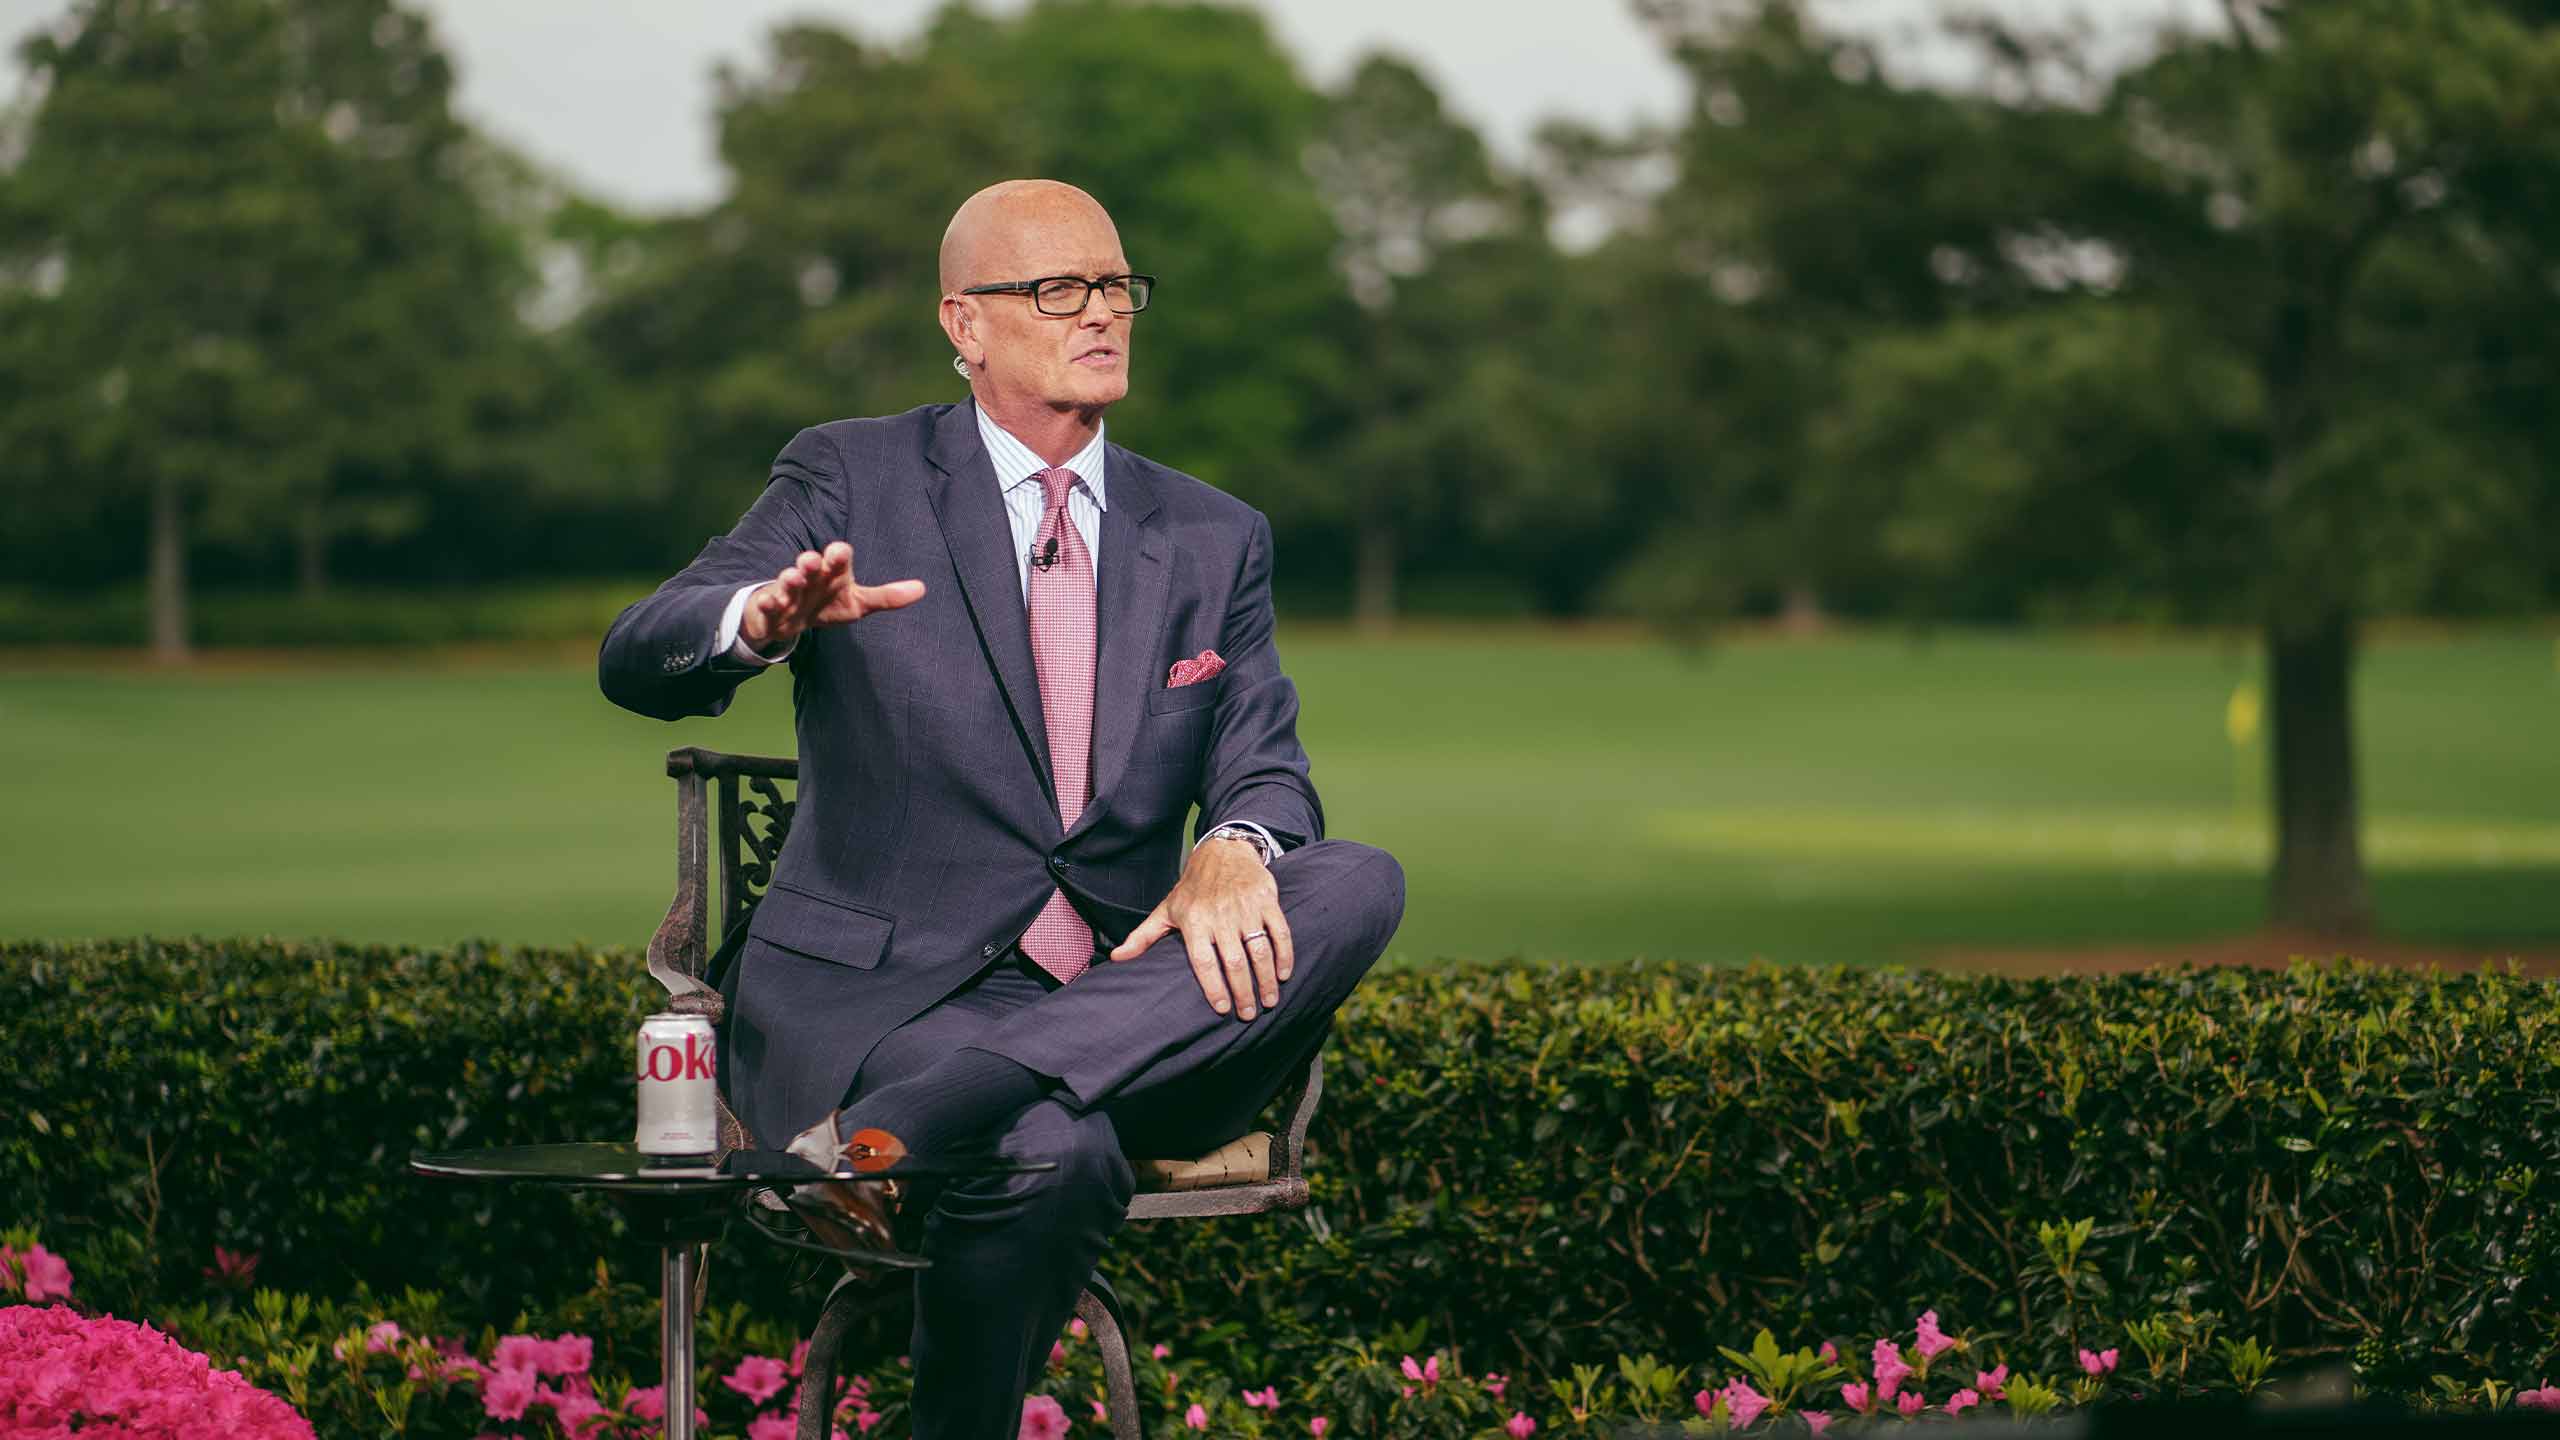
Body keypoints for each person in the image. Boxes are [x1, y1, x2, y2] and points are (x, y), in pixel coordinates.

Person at [598, 178, 1405, 1439]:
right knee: (1050, 1153)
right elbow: (637, 652)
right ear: (962, 325)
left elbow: (1266, 762)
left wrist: (1237, 848)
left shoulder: (1213, 533)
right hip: (889, 999)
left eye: (1116, 286)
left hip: (1135, 1013)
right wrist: (755, 624)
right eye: (1056, 289)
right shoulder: (850, 475)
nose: (1102, 314)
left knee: (1358, 876)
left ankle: (891, 1136)